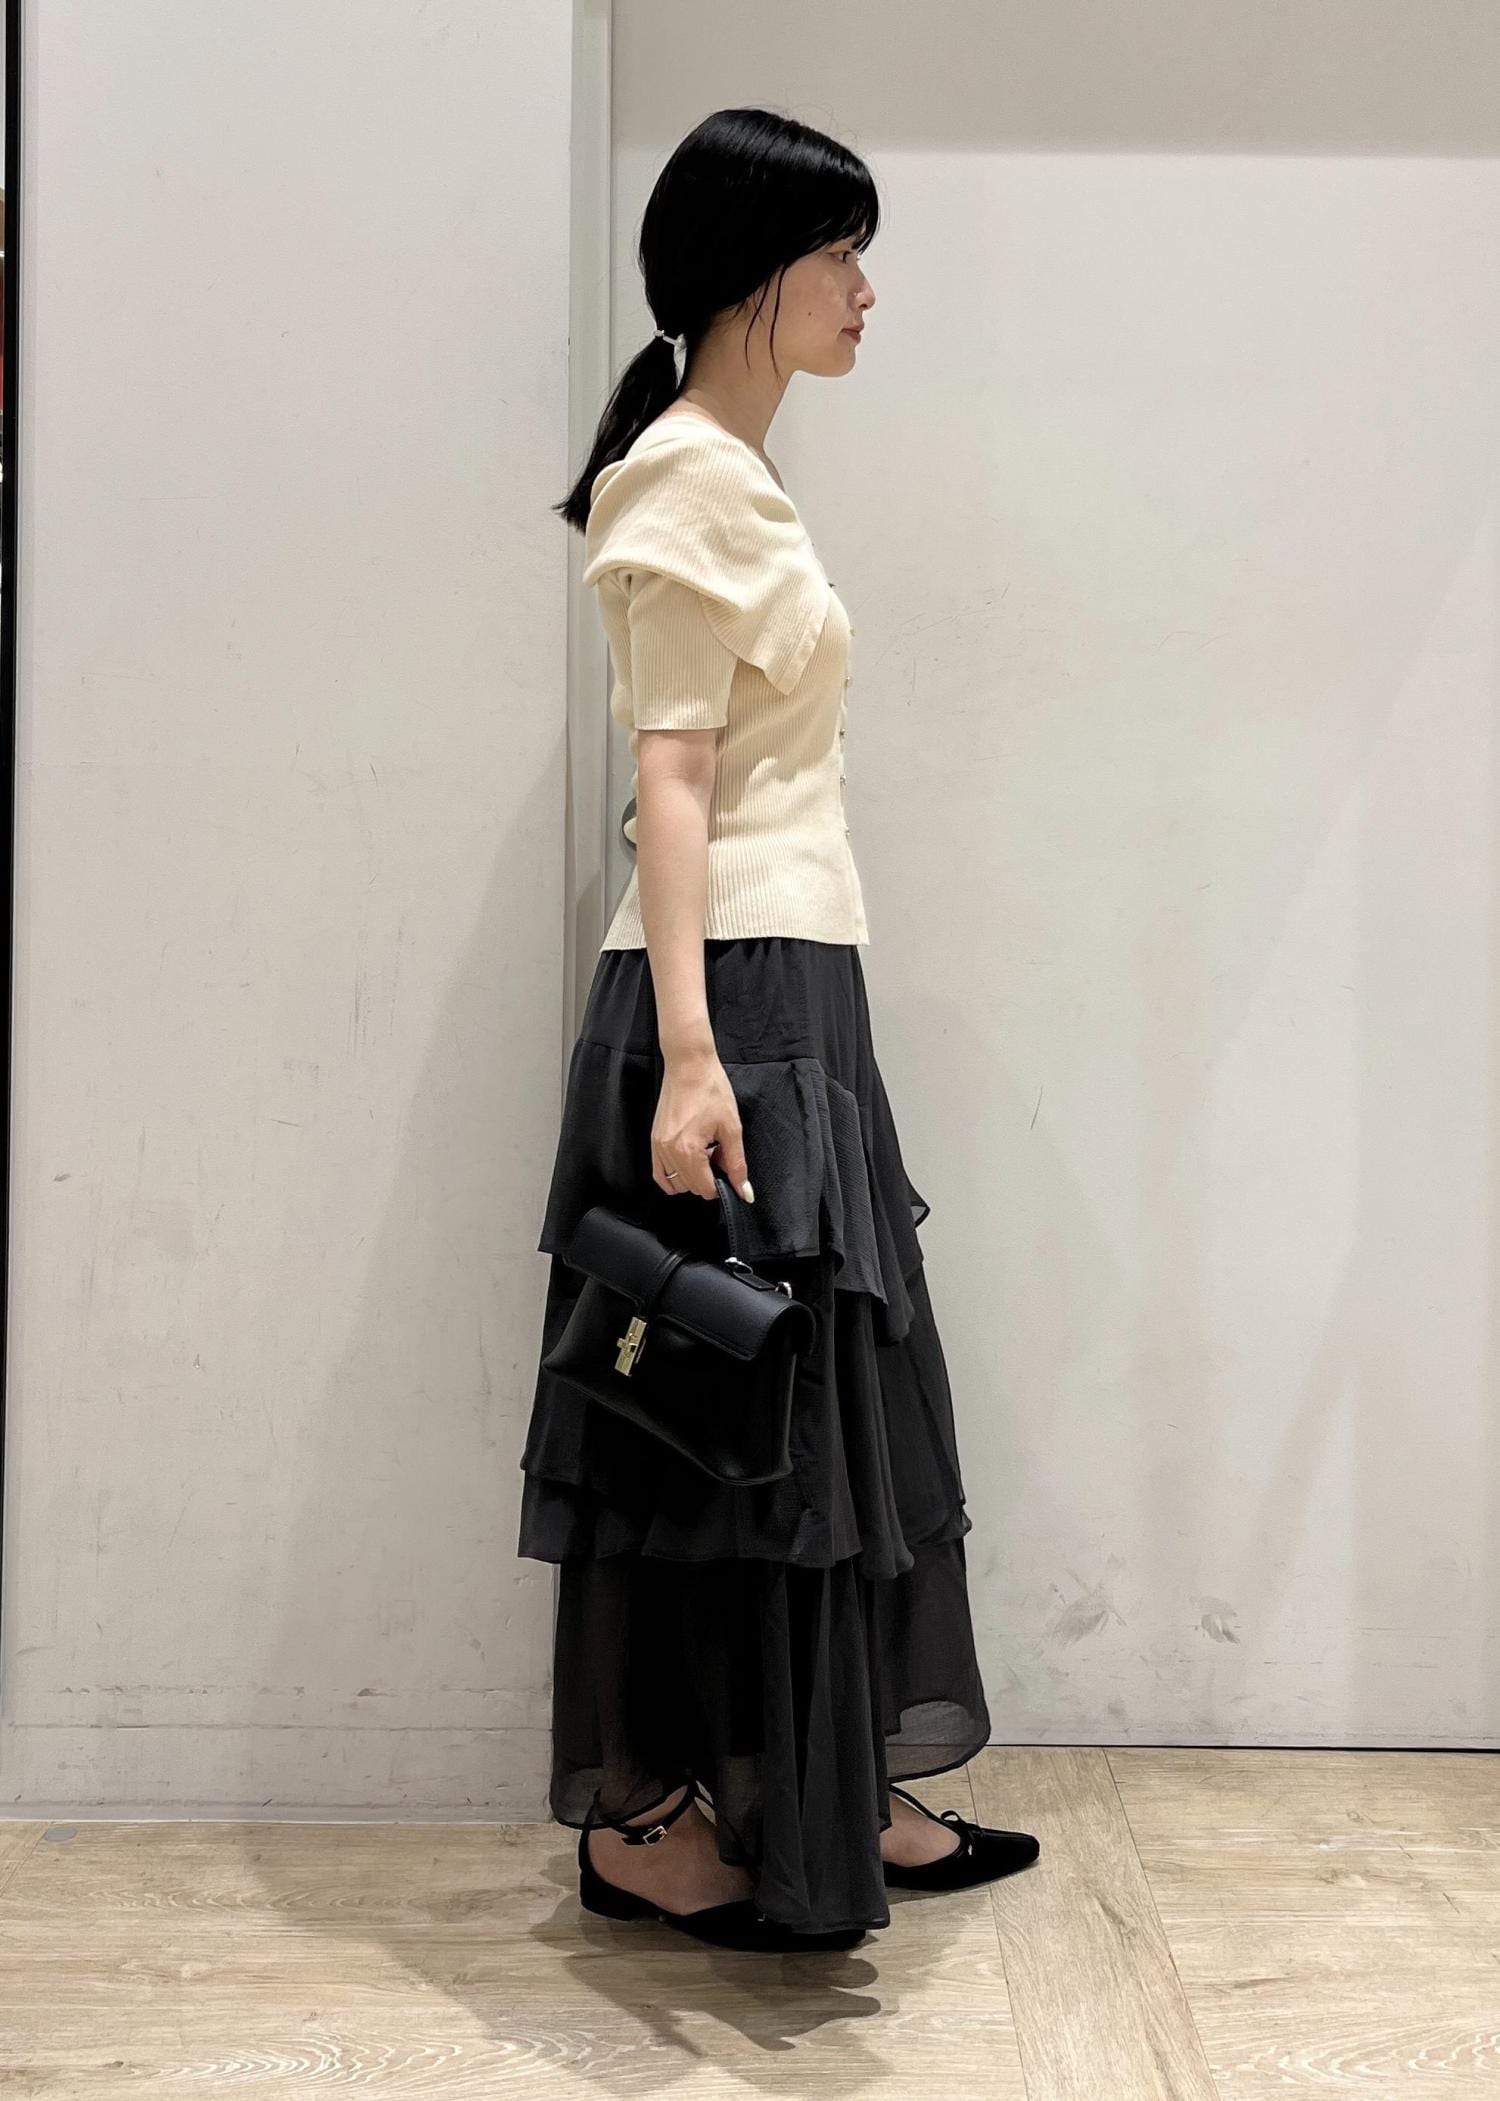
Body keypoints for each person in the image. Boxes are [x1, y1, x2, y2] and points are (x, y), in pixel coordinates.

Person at [519, 106, 1039, 1954]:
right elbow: (670, 783)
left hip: (789, 971)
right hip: (730, 986)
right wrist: (689, 1053)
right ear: (754, 275)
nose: (865, 290)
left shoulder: (733, 475)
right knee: (723, 1411)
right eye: (840, 256)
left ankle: (830, 1793)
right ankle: (656, 1824)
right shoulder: (680, 482)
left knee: (808, 1405)